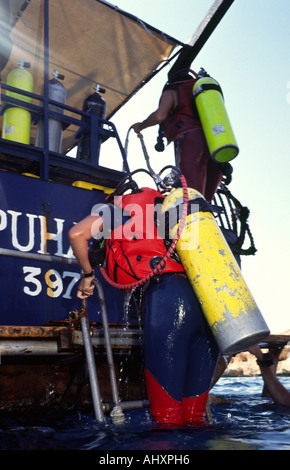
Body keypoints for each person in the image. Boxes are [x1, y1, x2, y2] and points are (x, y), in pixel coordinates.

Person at [69, 183, 220, 425]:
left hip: (168, 300)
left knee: (166, 419)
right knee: (196, 418)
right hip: (209, 301)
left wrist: (88, 275)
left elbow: (77, 234)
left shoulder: (119, 209)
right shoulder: (178, 210)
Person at [131, 70, 224, 203]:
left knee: (192, 199)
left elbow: (159, 116)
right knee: (205, 203)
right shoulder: (201, 93)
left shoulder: (173, 90)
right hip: (216, 142)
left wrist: (141, 125)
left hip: (191, 141)